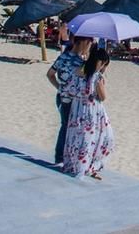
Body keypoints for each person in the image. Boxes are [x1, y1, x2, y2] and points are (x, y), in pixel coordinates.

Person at [62, 45, 114, 179]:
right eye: (104, 64)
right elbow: (103, 97)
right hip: (92, 110)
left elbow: (69, 89)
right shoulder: (97, 77)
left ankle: (74, 165)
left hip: (77, 108)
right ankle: (87, 167)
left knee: (76, 137)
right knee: (99, 138)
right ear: (101, 62)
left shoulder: (77, 71)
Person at [46, 35, 93, 166]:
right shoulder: (80, 62)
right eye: (89, 44)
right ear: (84, 42)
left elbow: (50, 74)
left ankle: (61, 156)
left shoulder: (63, 56)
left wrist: (60, 87)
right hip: (72, 99)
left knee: (65, 125)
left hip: (61, 96)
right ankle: (62, 157)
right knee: (68, 127)